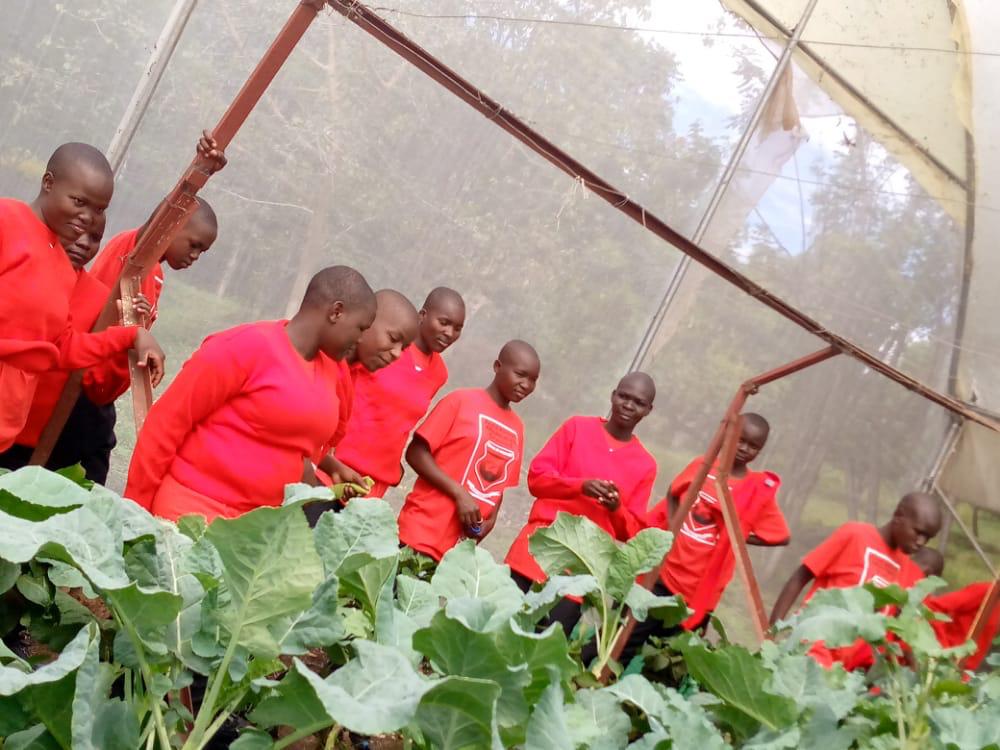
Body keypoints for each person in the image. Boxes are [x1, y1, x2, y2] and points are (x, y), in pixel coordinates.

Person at [123, 265, 376, 521]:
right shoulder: (244, 347)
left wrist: (328, 479)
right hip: (194, 515)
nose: (362, 340)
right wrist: (135, 513)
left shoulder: (331, 371)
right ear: (336, 312)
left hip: (255, 530)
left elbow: (293, 448)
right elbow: (166, 424)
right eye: (361, 328)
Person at [0, 142, 164, 451]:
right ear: (48, 183)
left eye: (99, 209)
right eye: (79, 201)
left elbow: (61, 347)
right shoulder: (7, 220)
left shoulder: (62, 267)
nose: (88, 216)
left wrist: (131, 336)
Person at [642, 414, 789, 637]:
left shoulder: (755, 489)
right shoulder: (703, 465)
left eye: (753, 446)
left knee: (670, 658)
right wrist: (673, 529)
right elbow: (674, 491)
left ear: (760, 451)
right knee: (628, 639)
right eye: (740, 440)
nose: (744, 448)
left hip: (698, 590)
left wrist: (736, 534)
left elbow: (781, 536)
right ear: (729, 435)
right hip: (665, 572)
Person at [506, 372, 657, 588]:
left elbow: (632, 533)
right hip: (537, 548)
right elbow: (536, 479)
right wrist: (580, 486)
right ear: (613, 396)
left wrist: (616, 508)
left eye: (639, 402)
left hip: (580, 571)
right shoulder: (577, 427)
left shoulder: (645, 465)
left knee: (555, 623)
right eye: (624, 396)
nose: (629, 405)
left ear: (648, 410)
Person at [397, 340, 540, 561]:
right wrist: (459, 493)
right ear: (497, 366)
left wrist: (490, 520)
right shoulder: (460, 401)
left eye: (533, 380)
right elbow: (415, 453)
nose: (526, 385)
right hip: (421, 531)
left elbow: (499, 484)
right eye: (520, 374)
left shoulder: (517, 428)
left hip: (456, 551)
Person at [769, 492, 941, 671]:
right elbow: (800, 577)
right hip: (812, 648)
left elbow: (889, 623)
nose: (921, 542)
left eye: (928, 537)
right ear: (898, 516)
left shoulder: (904, 567)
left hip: (844, 668)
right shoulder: (855, 535)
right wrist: (771, 633)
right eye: (918, 532)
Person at [333, 287, 465, 499]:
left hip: (376, 481)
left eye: (457, 328)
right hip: (337, 466)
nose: (449, 333)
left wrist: (394, 459)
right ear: (423, 315)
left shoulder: (439, 373)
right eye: (444, 322)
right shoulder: (383, 347)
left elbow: (402, 418)